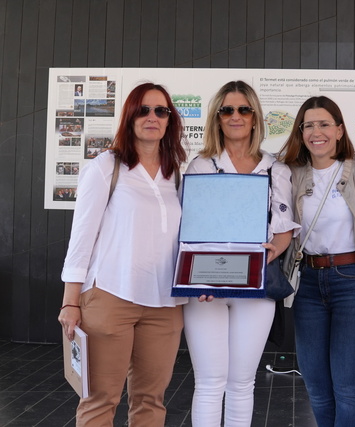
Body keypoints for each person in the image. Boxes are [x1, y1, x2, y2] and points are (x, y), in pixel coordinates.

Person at [58, 82, 188, 426]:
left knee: (151, 402)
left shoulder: (177, 172)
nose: (152, 117)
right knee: (100, 400)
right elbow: (81, 238)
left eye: (161, 111)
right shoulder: (107, 166)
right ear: (130, 116)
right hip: (110, 297)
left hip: (165, 304)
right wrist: (71, 302)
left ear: (170, 120)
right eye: (143, 109)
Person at [183, 80, 298, 426]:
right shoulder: (200, 167)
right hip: (206, 289)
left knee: (242, 382)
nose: (236, 116)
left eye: (244, 109)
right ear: (217, 118)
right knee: (209, 381)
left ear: (255, 117)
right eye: (228, 110)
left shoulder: (277, 168)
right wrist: (196, 278)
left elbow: (284, 227)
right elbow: (187, 233)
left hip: (256, 285)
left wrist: (275, 248)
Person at [278, 96, 355, 427]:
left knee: (347, 388)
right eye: (308, 125)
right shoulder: (291, 175)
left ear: (339, 130)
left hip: (354, 283)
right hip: (308, 284)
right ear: (301, 132)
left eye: (324, 123)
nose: (316, 131)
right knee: (316, 386)